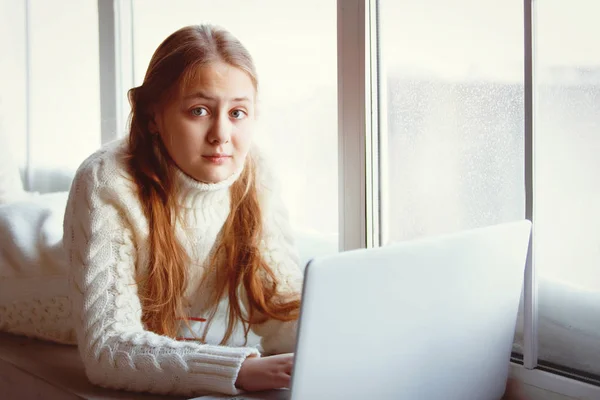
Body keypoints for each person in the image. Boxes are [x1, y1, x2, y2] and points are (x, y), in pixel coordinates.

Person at [0, 23, 527, 399]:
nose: (222, 134)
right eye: (199, 110)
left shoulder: (255, 173)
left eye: (238, 112)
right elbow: (108, 350)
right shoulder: (107, 180)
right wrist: (240, 369)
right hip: (17, 252)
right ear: (155, 116)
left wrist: (405, 342)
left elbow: (275, 307)